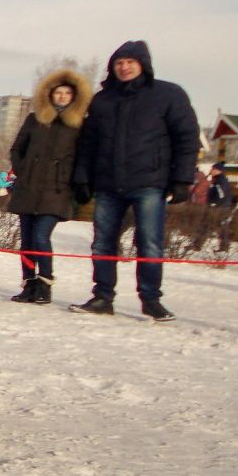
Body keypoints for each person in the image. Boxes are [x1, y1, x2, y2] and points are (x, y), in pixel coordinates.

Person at [69, 40, 200, 321]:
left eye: (130, 62)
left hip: (149, 183)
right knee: (103, 242)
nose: (124, 67)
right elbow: (88, 142)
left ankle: (151, 299)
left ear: (143, 65)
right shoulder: (103, 100)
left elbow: (186, 137)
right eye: (119, 63)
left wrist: (182, 178)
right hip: (108, 184)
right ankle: (103, 296)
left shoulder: (168, 94)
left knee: (150, 243)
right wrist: (82, 177)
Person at [5, 68, 91, 303]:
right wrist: (23, 169)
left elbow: (84, 157)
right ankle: (28, 284)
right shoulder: (35, 119)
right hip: (28, 188)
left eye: (67, 93)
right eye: (58, 92)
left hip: (56, 189)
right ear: (49, 95)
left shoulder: (78, 125)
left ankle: (45, 283)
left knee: (41, 237)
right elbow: (16, 148)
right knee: (27, 240)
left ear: (74, 97)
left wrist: (72, 180)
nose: (62, 96)